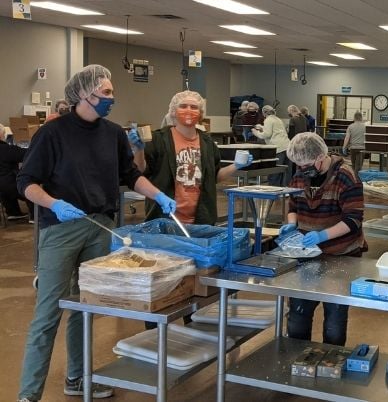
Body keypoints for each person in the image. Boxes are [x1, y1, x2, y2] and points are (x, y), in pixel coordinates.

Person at [16, 65, 177, 402]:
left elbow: (131, 175)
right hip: (60, 230)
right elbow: (26, 182)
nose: (111, 99)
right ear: (84, 94)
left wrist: (158, 195)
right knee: (48, 313)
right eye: (105, 93)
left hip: (100, 227)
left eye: (111, 92)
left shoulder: (112, 133)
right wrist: (54, 203)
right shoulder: (53, 133)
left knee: (85, 307)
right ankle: (28, 395)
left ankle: (77, 377)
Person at [280, 132, 367, 346]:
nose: (302, 170)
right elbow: (293, 203)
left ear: (320, 156)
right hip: (307, 256)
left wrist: (322, 235)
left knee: (334, 323)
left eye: (306, 165)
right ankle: (298, 362)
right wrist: (292, 223)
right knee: (298, 318)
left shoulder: (346, 176)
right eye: (298, 165)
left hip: (342, 255)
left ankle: (331, 365)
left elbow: (353, 219)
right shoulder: (301, 175)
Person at [130, 90, 252, 225]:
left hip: (201, 219)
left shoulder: (207, 143)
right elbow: (140, 171)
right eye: (183, 106)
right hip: (165, 217)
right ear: (173, 111)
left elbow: (214, 177)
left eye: (194, 107)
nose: (188, 110)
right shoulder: (159, 139)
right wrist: (139, 149)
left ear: (200, 113)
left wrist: (236, 165)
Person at [0, 123, 33, 222]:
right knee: (31, 188)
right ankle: (35, 216)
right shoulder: (5, 149)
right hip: (9, 184)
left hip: (2, 188)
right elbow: (26, 154)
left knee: (5, 190)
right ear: (1, 135)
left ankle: (13, 212)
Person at [252, 104, 291, 186]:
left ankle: (273, 189)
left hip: (278, 148)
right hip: (287, 146)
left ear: (264, 113)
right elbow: (275, 131)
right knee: (285, 171)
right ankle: (285, 190)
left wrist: (256, 133)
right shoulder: (278, 119)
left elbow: (267, 134)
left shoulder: (268, 120)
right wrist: (262, 128)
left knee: (275, 171)